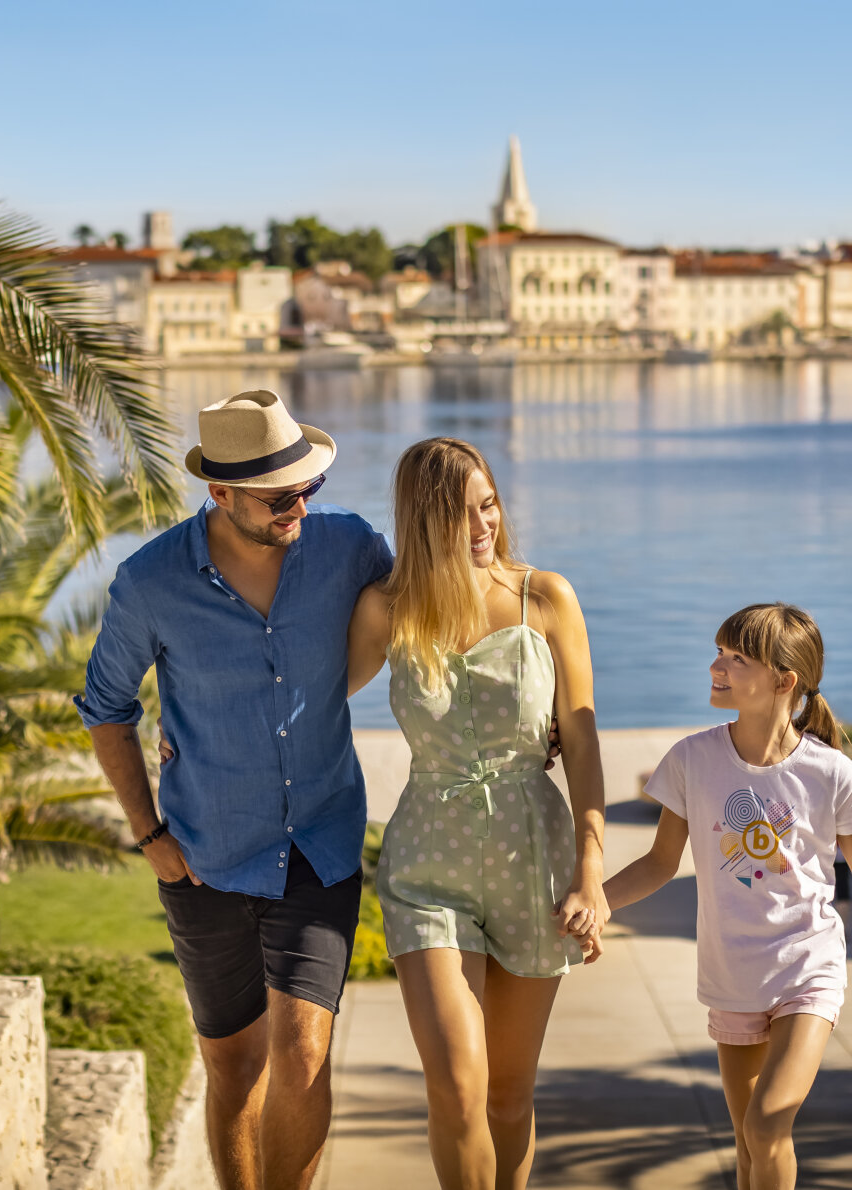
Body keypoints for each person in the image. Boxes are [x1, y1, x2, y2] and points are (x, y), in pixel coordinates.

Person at [76, 389, 393, 1190]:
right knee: (236, 1066)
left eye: (307, 488)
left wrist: (541, 715)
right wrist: (151, 838)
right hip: (203, 857)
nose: (299, 506)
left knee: (304, 1051)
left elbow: (440, 607)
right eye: (279, 496)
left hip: (319, 844)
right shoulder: (150, 581)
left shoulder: (349, 547)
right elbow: (106, 711)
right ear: (218, 494)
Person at [347, 437, 608, 1190]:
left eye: (487, 503)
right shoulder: (384, 610)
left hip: (537, 862)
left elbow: (584, 743)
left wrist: (591, 876)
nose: (482, 524)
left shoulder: (545, 598)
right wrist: (189, 734)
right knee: (457, 1090)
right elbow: (303, 705)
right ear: (421, 521)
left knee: (507, 1095)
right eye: (459, 513)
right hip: (428, 869)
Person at [601, 603, 852, 1190]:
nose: (717, 666)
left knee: (769, 1123)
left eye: (736, 658)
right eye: (719, 652)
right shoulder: (691, 759)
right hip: (732, 974)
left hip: (809, 967)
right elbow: (659, 864)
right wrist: (595, 905)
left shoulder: (830, 772)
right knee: (750, 1141)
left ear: (784, 680)